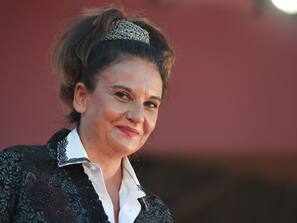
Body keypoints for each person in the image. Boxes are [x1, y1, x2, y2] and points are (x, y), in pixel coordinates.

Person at [0, 5, 174, 223]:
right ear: (81, 97)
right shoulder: (16, 171)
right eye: (122, 95)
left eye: (150, 104)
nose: (138, 116)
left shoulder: (156, 214)